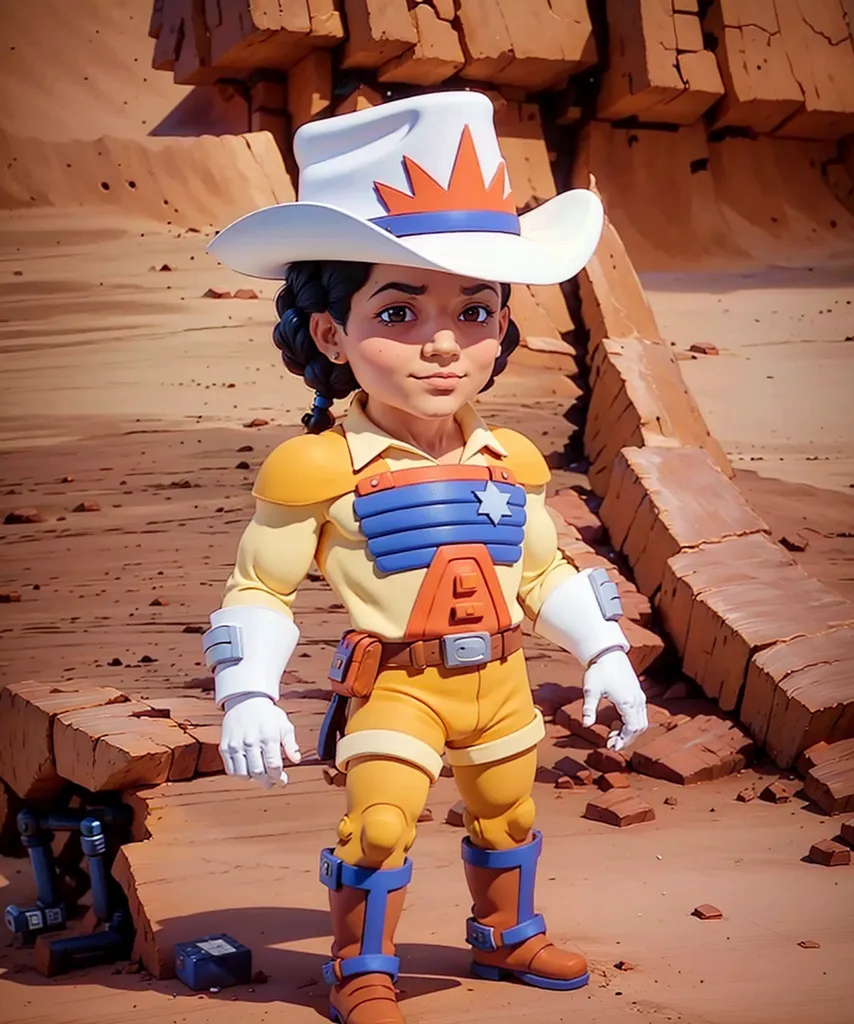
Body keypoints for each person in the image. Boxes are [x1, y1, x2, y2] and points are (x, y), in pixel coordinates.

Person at [201, 90, 648, 1024]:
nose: (445, 344)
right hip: (398, 684)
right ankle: (363, 964)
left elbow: (544, 570)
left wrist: (604, 651)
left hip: (503, 683)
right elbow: (260, 586)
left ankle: (505, 933)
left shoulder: (511, 459)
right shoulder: (315, 465)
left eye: (475, 312)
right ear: (331, 333)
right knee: (379, 825)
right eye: (399, 312)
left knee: (513, 816)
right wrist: (247, 691)